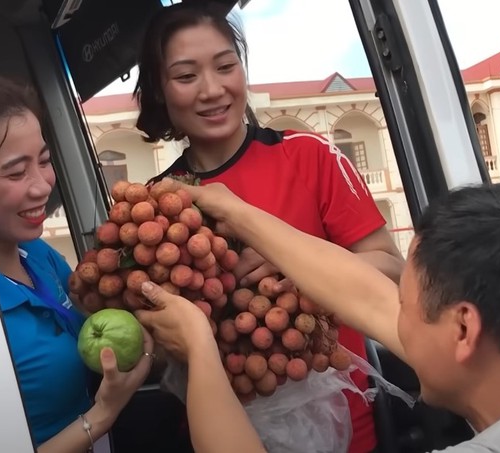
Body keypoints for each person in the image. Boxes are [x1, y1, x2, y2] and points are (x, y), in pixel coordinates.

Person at [136, 180, 500, 452]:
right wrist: (239, 215)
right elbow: (365, 296)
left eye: (406, 304)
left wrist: (201, 350)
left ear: (464, 329)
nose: (393, 315)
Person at [133, 3, 404, 451]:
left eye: (225, 66)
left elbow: (392, 269)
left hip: (347, 430)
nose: (212, 89)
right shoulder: (157, 205)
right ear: (160, 91)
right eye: (186, 76)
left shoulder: (310, 156)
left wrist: (299, 266)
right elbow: (157, 333)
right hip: (218, 429)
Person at [0, 74, 153, 451]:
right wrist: (102, 414)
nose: (42, 186)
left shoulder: (38, 255)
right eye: (16, 171)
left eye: (44, 161)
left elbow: (93, 321)